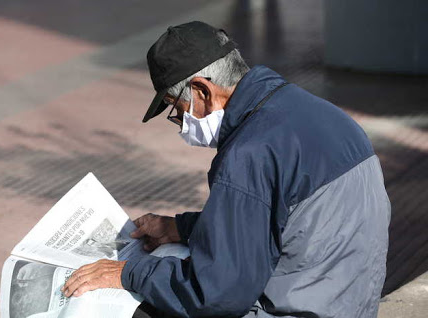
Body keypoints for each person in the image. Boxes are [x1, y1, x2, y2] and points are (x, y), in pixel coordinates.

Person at [62, 21, 391, 318]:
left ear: (202, 91)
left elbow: (216, 294)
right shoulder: (310, 110)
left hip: (299, 310)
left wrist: (126, 272)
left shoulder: (250, 152)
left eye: (178, 112)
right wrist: (183, 228)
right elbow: (278, 222)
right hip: (351, 304)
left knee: (132, 305)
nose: (180, 126)